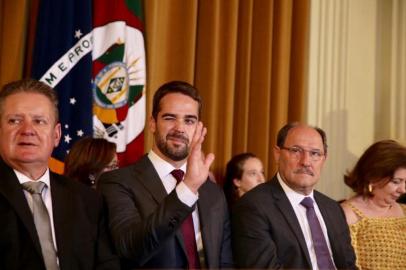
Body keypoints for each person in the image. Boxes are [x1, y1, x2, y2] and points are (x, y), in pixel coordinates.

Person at [98, 81, 233, 269]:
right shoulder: (118, 183)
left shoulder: (214, 193)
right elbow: (131, 248)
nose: (179, 128)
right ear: (153, 123)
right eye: (170, 118)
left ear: (198, 128)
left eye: (189, 120)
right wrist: (187, 189)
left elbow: (224, 262)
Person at [0, 79, 119, 269]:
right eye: (15, 120)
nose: (28, 130)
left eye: (39, 121)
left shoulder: (88, 201)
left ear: (56, 135)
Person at [232, 122, 357, 269]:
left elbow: (349, 266)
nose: (305, 162)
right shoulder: (253, 207)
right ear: (277, 154)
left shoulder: (333, 209)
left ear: (324, 160)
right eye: (296, 151)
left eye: (315, 153)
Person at [341, 140, 406, 269]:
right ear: (373, 177)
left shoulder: (404, 211)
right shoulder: (348, 214)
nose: (403, 190)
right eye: (396, 182)